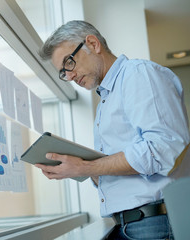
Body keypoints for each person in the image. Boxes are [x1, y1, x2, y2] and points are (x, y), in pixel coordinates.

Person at [37, 20, 190, 239]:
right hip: (128, 225)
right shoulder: (106, 101)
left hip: (153, 224)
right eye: (63, 72)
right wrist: (78, 167)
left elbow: (163, 148)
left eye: (69, 63)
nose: (69, 76)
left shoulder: (139, 74)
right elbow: (121, 169)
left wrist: (85, 167)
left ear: (92, 44)